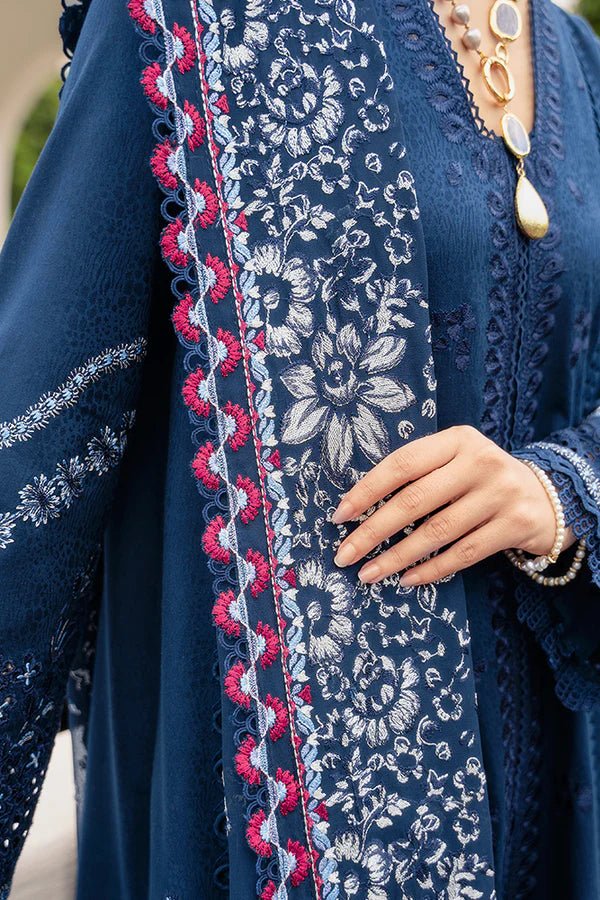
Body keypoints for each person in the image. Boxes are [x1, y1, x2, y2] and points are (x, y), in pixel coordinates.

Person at [1, 0, 599, 896]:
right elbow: (41, 421)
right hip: (274, 792)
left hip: (549, 771)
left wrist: (559, 494)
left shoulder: (575, 56)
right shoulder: (189, 23)